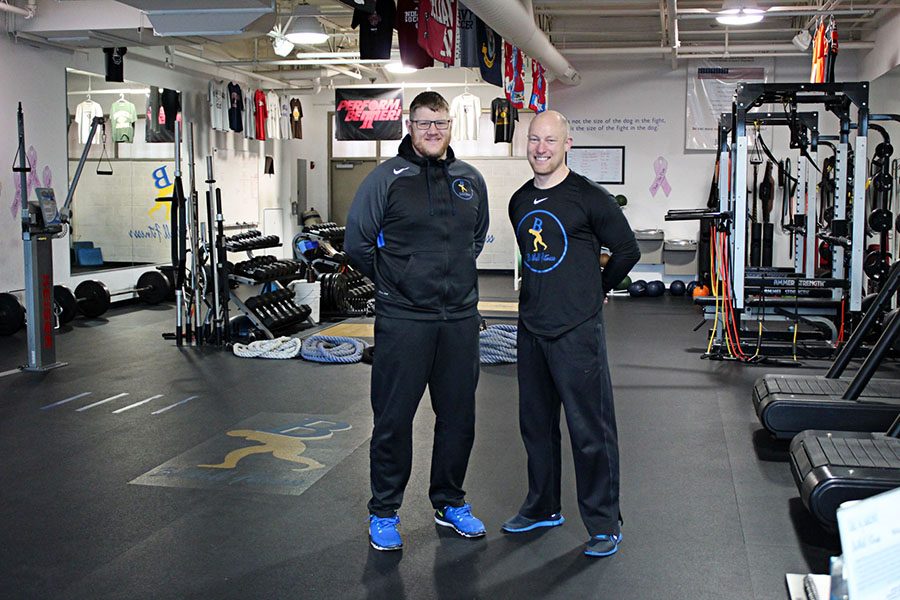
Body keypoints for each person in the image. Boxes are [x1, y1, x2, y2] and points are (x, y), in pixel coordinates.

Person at [345, 91, 491, 552]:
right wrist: (398, 284)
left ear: (452, 126)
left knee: (458, 418)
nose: (433, 130)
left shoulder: (471, 180)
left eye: (441, 123)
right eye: (424, 123)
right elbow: (357, 244)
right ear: (410, 126)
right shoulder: (386, 178)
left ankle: (449, 502)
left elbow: (478, 238)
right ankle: (385, 511)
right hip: (404, 320)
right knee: (393, 419)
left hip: (459, 320)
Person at [504, 110, 640, 557]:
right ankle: (543, 505)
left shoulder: (588, 197)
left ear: (567, 144)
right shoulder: (519, 201)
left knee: (590, 431)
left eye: (550, 140)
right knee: (536, 427)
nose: (540, 148)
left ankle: (604, 523)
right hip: (532, 329)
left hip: (576, 331)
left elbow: (626, 249)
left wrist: (597, 288)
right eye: (534, 139)